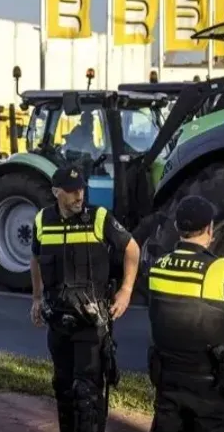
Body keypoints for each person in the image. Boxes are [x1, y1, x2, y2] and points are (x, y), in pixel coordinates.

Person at [29, 166, 140, 432]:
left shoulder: (99, 217)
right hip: (58, 320)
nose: (79, 196)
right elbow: (34, 257)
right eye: (71, 191)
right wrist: (36, 297)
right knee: (63, 388)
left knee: (87, 393)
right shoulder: (43, 220)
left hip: (91, 323)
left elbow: (132, 248)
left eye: (81, 190)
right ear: (56, 192)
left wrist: (126, 291)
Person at [146, 195, 224, 432]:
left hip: (169, 380)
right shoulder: (220, 269)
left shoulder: (158, 266)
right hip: (211, 387)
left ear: (177, 227)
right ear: (209, 228)